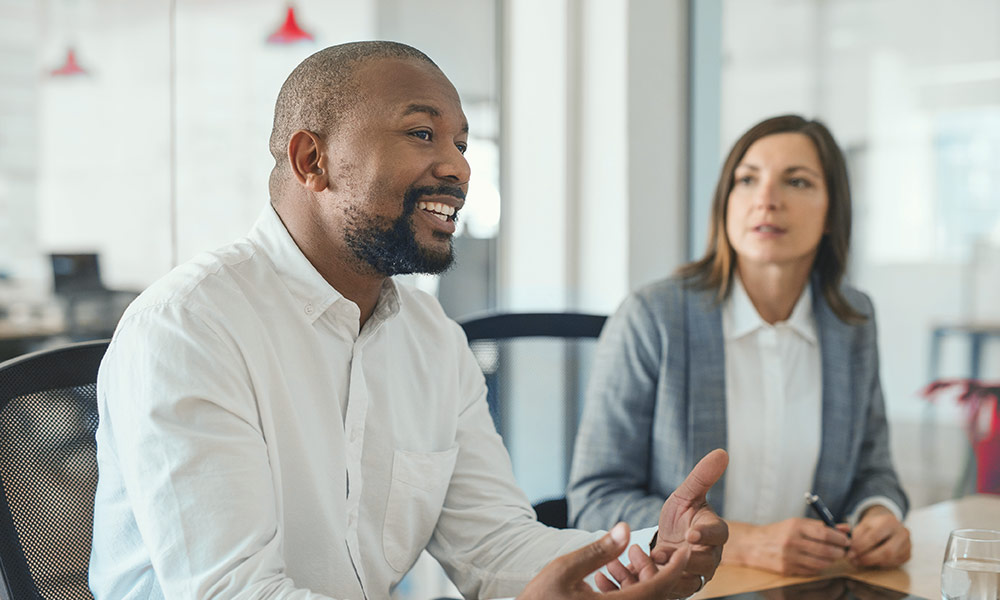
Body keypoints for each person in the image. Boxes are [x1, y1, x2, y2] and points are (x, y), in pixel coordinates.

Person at [87, 41, 729, 599]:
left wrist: (648, 550)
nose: (458, 167)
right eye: (422, 134)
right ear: (312, 160)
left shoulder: (433, 340)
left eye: (461, 143)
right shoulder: (189, 327)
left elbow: (497, 549)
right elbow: (231, 594)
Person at [567, 115, 912, 577]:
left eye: (797, 181)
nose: (767, 200)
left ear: (832, 212)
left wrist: (879, 514)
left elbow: (874, 470)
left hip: (806, 587)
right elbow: (596, 498)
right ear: (725, 202)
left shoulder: (852, 320)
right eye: (747, 180)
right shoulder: (654, 316)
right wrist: (743, 542)